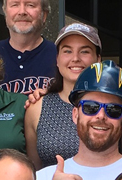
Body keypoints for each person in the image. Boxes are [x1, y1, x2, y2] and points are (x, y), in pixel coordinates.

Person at [25, 22, 102, 169]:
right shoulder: (37, 108)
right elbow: (34, 171)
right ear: (57, 59)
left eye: (84, 51)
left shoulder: (112, 107)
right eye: (67, 51)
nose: (75, 58)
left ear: (98, 59)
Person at [0, 0, 58, 94]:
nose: (22, 12)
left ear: (44, 15)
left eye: (30, 5)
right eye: (15, 5)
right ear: (5, 13)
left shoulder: (60, 57)